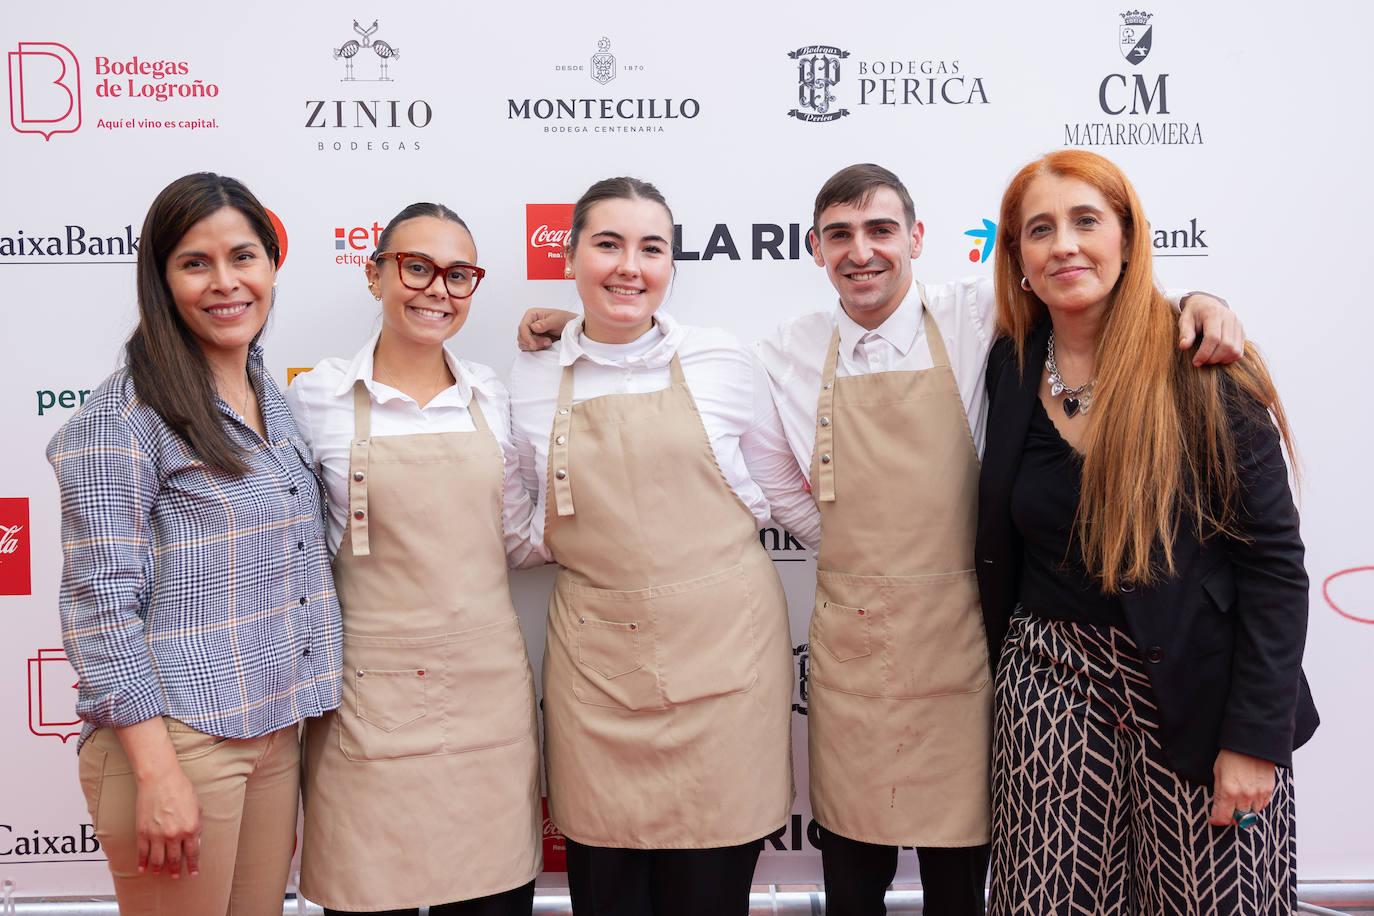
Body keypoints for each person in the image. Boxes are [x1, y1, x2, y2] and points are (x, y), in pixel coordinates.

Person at [520, 164, 1241, 916]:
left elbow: (1087, 290)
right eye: (840, 235)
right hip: (852, 655)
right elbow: (776, 489)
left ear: (917, 238)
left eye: (880, 231)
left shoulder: (980, 318)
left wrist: (1197, 302)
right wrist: (567, 327)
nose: (861, 252)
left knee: (959, 885)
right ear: (816, 249)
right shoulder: (782, 355)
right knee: (852, 885)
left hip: (964, 647)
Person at [974, 149, 1318, 915]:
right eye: (1039, 230)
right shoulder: (1007, 362)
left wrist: (1256, 739)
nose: (1063, 244)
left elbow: (1274, 568)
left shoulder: (1203, 365)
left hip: (1204, 691)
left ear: (1128, 239)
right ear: (1019, 258)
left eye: (1085, 221)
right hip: (1050, 685)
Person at [508, 177, 819, 916]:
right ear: (570, 257)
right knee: (606, 894)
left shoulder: (723, 359)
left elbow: (783, 491)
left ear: (671, 266)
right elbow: (528, 520)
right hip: (599, 676)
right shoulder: (530, 374)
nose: (630, 266)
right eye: (607, 244)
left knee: (709, 898)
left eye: (652, 249)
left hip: (726, 665)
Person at [47, 172, 342, 915]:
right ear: (160, 279)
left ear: (272, 265)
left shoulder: (269, 395)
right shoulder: (121, 420)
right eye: (194, 262)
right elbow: (99, 611)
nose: (226, 283)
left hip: (274, 731)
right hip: (179, 745)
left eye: (243, 257)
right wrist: (158, 775)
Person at [286, 203, 543, 916]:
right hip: (368, 700)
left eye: (458, 275)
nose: (438, 289)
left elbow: (519, 537)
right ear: (375, 276)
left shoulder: (495, 394)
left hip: (486, 703)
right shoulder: (315, 400)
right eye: (417, 267)